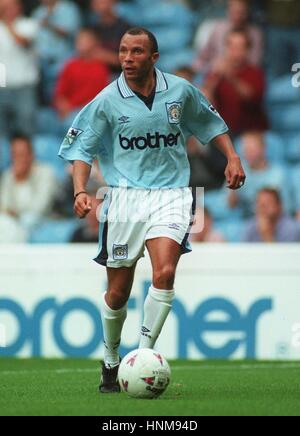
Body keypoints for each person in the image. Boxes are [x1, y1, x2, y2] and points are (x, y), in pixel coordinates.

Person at [58, 27, 246, 393]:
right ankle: (112, 360)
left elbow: (212, 124)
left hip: (173, 193)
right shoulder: (107, 100)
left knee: (165, 271)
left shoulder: (179, 91)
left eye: (137, 52)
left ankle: (142, 357)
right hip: (124, 198)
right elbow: (81, 149)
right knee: (117, 294)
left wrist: (233, 156)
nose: (128, 58)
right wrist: (81, 190)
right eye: (124, 51)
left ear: (154, 57)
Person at [202, 29, 268, 136]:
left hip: (250, 132)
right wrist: (214, 79)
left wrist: (230, 76)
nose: (235, 52)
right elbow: (204, 100)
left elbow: (251, 97)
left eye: (240, 48)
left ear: (247, 50)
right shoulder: (216, 71)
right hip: (223, 132)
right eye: (231, 47)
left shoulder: (256, 73)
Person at [53, 27, 110, 135]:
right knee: (71, 128)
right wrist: (63, 107)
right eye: (79, 40)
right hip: (72, 114)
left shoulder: (101, 67)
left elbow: (103, 97)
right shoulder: (70, 66)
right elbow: (60, 95)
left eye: (85, 40)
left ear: (94, 43)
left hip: (92, 114)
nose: (81, 43)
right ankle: (69, 148)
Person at [0, 134, 57, 236]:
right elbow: (4, 206)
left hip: (43, 221)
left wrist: (21, 181)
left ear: (31, 155)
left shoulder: (46, 172)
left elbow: (39, 208)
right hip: (14, 223)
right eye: (14, 154)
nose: (18, 158)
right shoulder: (8, 175)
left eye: (22, 154)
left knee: (28, 220)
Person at [0, 0, 39, 138]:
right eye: (4, 6)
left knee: (26, 128)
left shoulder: (28, 24)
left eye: (10, 6)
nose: (6, 10)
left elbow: (23, 42)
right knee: (1, 133)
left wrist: (7, 24)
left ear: (19, 7)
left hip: (24, 86)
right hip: (2, 86)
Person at [194, 0, 264, 74]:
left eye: (241, 12)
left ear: (247, 13)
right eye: (234, 12)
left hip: (243, 74)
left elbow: (255, 62)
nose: (238, 16)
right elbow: (203, 56)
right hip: (216, 71)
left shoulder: (255, 34)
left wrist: (231, 66)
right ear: (228, 11)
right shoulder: (218, 28)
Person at [90, 0, 132, 76]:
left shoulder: (125, 28)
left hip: (119, 76)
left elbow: (133, 60)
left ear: (113, 2)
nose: (99, 4)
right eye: (95, 2)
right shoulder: (92, 29)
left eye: (103, 1)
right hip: (96, 75)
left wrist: (108, 57)